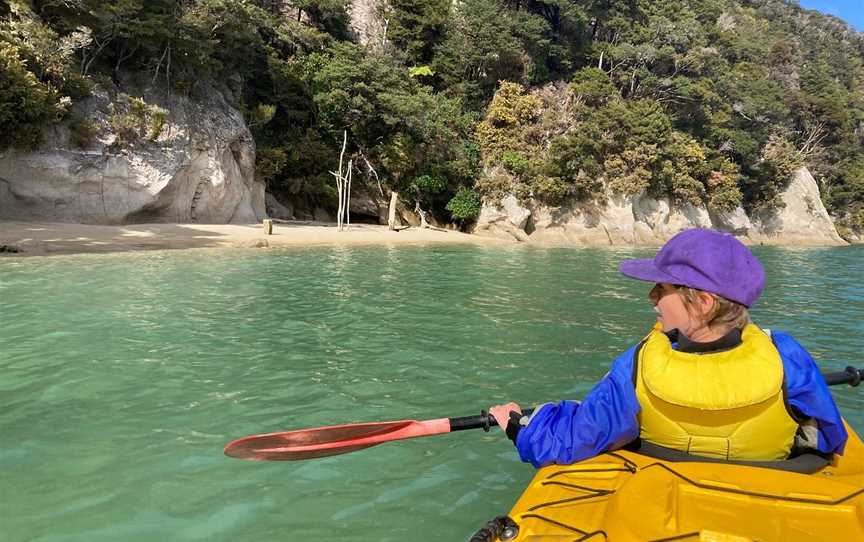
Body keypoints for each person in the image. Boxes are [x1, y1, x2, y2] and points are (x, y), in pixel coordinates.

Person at [490, 228, 847, 467]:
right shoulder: (786, 356)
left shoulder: (639, 363)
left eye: (661, 289)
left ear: (703, 302)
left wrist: (520, 426)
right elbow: (830, 438)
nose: (651, 297)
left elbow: (571, 441)